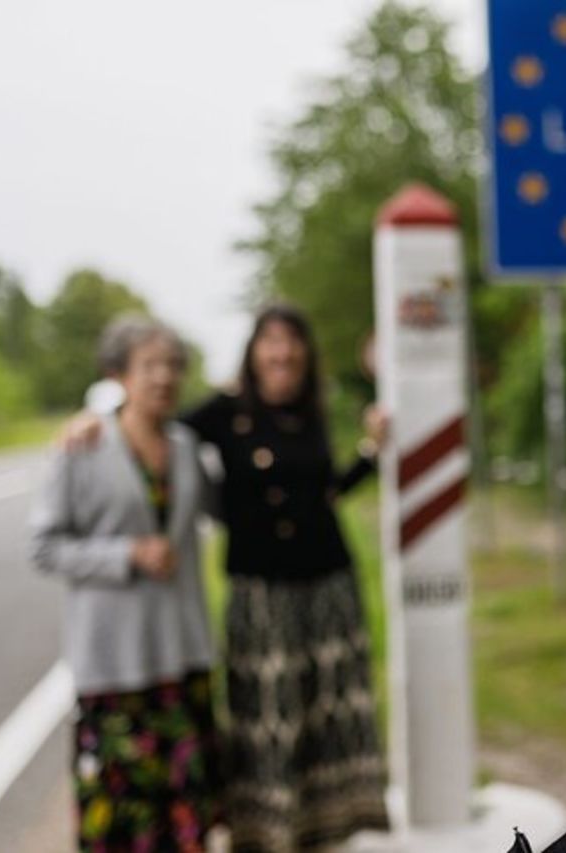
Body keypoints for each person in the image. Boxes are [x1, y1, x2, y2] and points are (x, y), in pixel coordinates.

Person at [64, 303, 390, 851]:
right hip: (259, 592)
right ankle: (269, 832)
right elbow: (152, 424)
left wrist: (371, 453)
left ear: (306, 352)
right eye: (271, 340)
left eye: (292, 340)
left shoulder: (312, 412)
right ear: (254, 351)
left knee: (326, 713)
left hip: (327, 582)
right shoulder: (223, 412)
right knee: (267, 719)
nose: (282, 351)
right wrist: (95, 418)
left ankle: (325, 828)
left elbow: (325, 492)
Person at [31, 316, 220, 852]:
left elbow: (228, 507)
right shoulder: (83, 448)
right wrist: (127, 554)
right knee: (123, 824)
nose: (164, 377)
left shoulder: (187, 448)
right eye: (150, 365)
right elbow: (43, 547)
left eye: (174, 365)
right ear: (120, 375)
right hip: (116, 668)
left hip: (183, 659)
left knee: (186, 819)